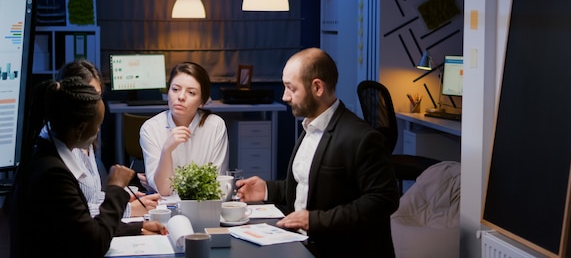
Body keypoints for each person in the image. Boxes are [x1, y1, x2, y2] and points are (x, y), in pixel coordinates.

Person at [236, 48, 400, 258]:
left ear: (317, 87)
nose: (285, 96)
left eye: (291, 88)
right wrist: (266, 190)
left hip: (341, 250)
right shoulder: (309, 127)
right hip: (301, 244)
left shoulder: (362, 137)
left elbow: (383, 200)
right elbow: (314, 187)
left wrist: (314, 221)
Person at [9, 77, 167, 258]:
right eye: (98, 125)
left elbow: (77, 228)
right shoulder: (53, 175)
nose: (99, 131)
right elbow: (92, 243)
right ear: (81, 128)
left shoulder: (44, 156)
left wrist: (136, 227)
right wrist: (115, 188)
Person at [54, 59, 159, 217]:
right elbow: (73, 214)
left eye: (97, 96)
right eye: (88, 97)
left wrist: (119, 198)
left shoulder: (85, 140)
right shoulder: (59, 152)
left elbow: (92, 198)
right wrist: (125, 208)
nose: (94, 106)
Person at [140, 61, 229, 196]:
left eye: (191, 93)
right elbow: (164, 190)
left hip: (204, 206)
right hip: (165, 209)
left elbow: (215, 185)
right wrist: (167, 149)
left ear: (202, 101)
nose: (181, 97)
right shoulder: (151, 128)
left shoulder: (215, 126)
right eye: (175, 89)